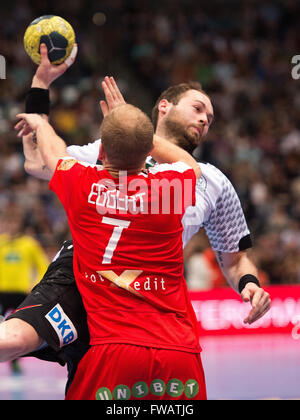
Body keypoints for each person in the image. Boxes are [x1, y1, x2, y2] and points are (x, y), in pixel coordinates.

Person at [0, 45, 270, 397]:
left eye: (211, 118)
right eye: (199, 107)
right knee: (16, 338)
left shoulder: (212, 180)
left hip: (140, 303)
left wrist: (248, 283)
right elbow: (37, 162)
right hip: (82, 274)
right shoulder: (109, 149)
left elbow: (234, 255)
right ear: (163, 106)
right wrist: (41, 85)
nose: (205, 119)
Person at [15, 99, 204, 400]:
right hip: (178, 352)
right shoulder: (172, 187)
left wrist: (40, 123)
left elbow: (53, 153)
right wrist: (142, 134)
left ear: (101, 152)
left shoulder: (82, 183)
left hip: (113, 353)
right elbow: (191, 166)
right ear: (149, 153)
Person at [0, 210, 48, 373]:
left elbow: (43, 265)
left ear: (19, 224)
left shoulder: (29, 244)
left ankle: (14, 360)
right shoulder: (1, 242)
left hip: (21, 293)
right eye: (8, 222)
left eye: (14, 222)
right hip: (2, 292)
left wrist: (35, 285)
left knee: (18, 330)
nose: (10, 226)